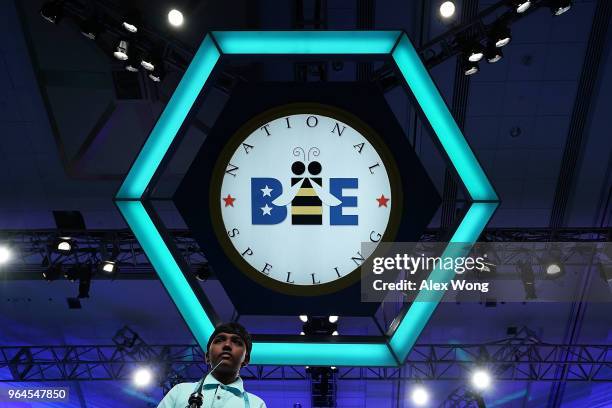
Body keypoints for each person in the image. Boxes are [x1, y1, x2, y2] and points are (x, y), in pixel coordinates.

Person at [157, 322, 266, 408]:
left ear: (246, 359)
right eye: (219, 340)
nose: (227, 345)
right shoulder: (180, 391)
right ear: (207, 357)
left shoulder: (256, 404)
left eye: (237, 342)